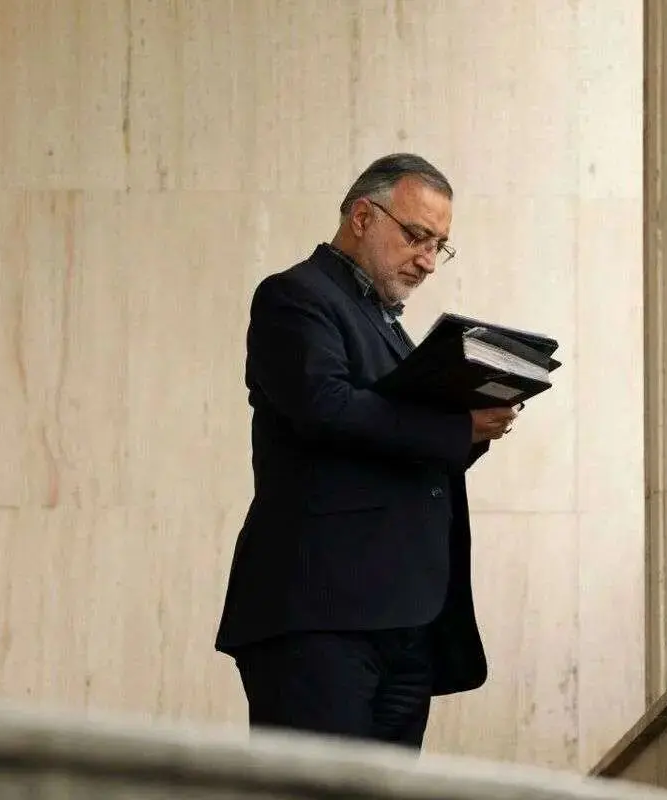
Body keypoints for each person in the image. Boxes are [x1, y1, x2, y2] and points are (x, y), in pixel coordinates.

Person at [213, 153, 519, 750]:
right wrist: (455, 429)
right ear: (361, 217)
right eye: (417, 236)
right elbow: (325, 407)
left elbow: (399, 442)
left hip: (403, 622)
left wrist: (474, 425)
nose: (427, 260)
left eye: (439, 246)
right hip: (320, 616)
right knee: (315, 790)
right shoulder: (294, 296)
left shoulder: (386, 323)